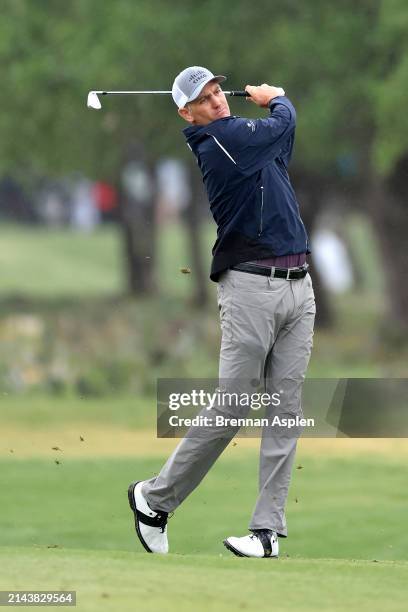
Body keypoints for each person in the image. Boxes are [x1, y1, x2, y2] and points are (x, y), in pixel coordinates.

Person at [128, 66, 316, 558]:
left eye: (217, 92)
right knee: (232, 406)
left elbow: (282, 142)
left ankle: (266, 532)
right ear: (186, 114)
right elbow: (282, 124)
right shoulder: (218, 141)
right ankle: (153, 500)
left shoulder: (243, 137)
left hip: (299, 287)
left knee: (286, 412)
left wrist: (278, 115)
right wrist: (277, 97)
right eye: (204, 100)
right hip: (251, 288)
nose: (216, 103)